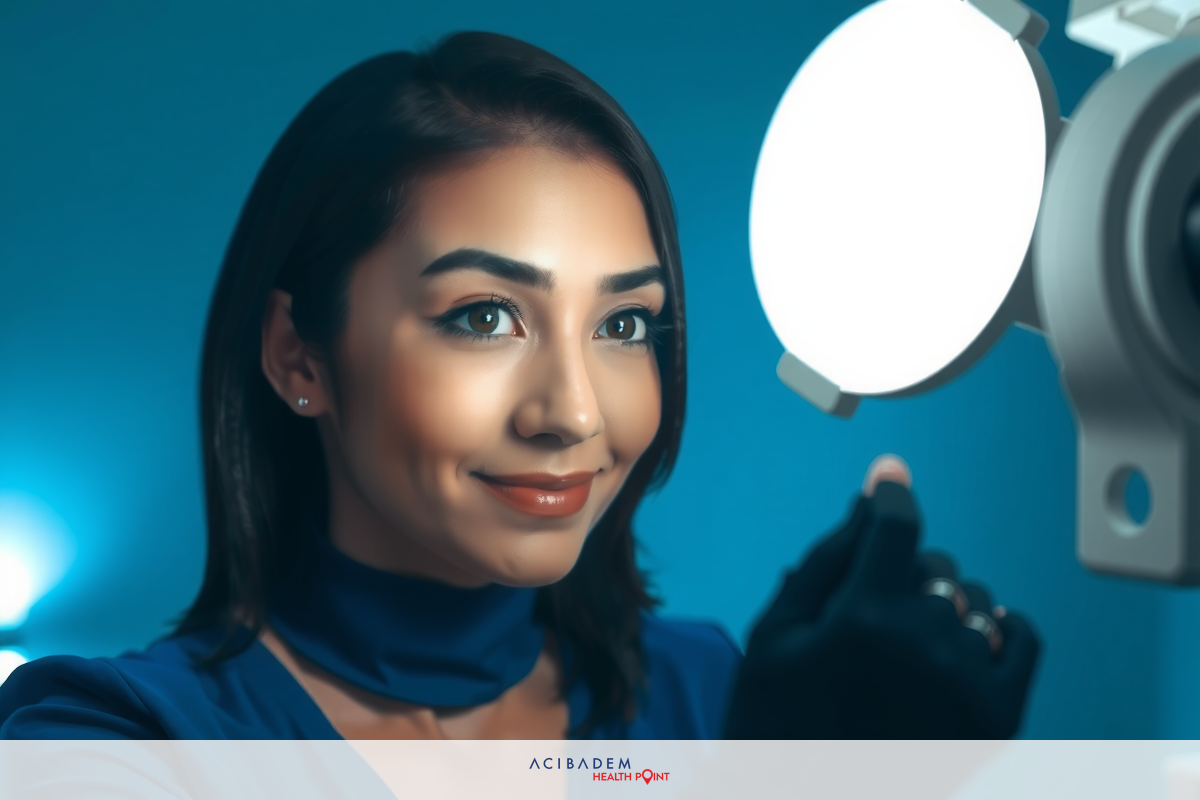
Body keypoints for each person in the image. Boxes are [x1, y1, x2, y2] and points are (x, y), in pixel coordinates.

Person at [0, 32, 1039, 741]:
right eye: (485, 316)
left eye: (625, 324)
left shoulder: (709, 693)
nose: (577, 413)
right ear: (298, 354)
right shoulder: (106, 737)